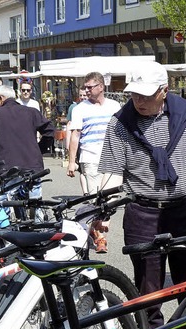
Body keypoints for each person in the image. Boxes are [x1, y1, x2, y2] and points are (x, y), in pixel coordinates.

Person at [98, 61, 186, 328]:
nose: (138, 100)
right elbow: (113, 172)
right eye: (134, 94)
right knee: (148, 293)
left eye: (145, 94)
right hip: (142, 213)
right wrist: (102, 215)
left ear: (164, 90)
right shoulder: (120, 123)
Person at [0, 85, 53, 216]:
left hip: (7, 167)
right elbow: (49, 132)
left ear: (1, 99)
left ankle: (4, 230)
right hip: (32, 165)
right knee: (35, 204)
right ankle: (39, 231)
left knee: (4, 205)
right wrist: (40, 148)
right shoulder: (31, 112)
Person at [67, 72, 121, 254]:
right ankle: (100, 238)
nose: (87, 90)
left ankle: (95, 229)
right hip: (90, 158)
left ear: (101, 87)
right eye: (86, 87)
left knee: (111, 200)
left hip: (112, 158)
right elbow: (75, 136)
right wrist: (71, 162)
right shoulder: (79, 109)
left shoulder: (114, 106)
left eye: (90, 86)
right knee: (94, 199)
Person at [66, 86, 88, 194]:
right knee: (82, 170)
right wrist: (68, 144)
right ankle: (85, 192)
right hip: (78, 143)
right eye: (81, 95)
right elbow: (69, 127)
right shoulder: (74, 108)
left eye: (85, 95)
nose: (83, 97)